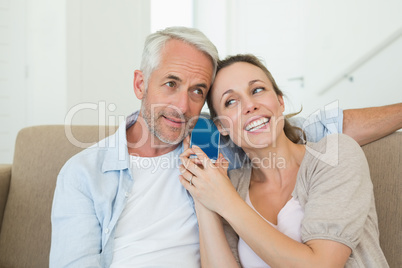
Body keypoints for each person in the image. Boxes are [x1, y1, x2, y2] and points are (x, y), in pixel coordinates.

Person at [50, 26, 400, 267]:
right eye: (170, 83)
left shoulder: (220, 148)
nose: (182, 106)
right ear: (140, 83)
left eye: (197, 91)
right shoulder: (86, 173)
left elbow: (302, 129)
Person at [178, 54, 389, 267]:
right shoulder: (230, 184)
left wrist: (225, 201)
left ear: (280, 101)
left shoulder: (334, 155)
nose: (249, 105)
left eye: (257, 90)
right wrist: (203, 197)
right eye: (231, 101)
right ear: (221, 126)